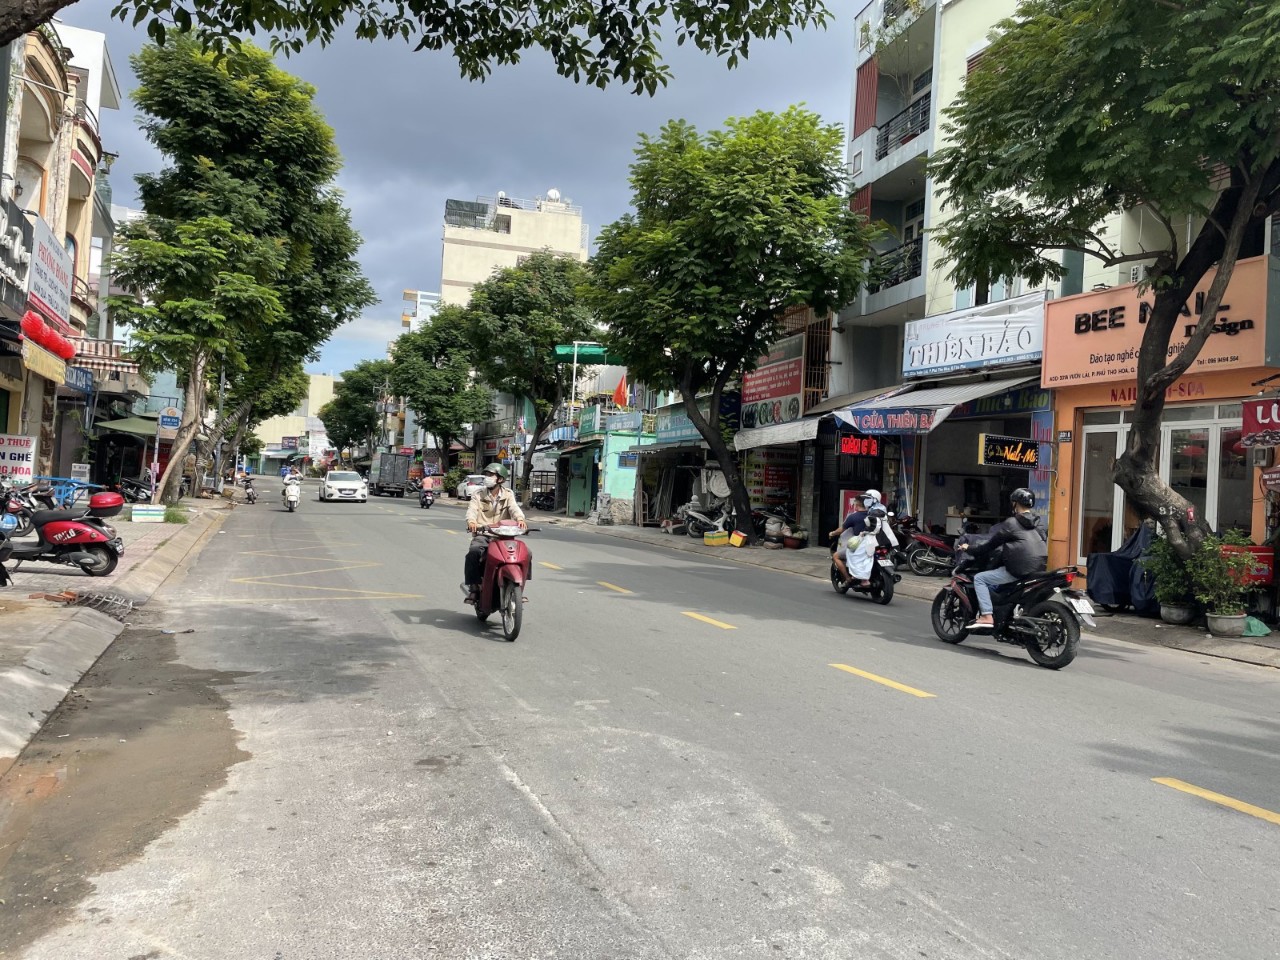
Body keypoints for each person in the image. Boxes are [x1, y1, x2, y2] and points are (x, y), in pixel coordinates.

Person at [958, 488, 1048, 630]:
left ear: (1014, 503)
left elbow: (989, 546)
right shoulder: (1039, 523)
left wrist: (968, 548)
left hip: (1019, 570)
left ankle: (987, 616)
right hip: (1039, 569)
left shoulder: (1011, 523)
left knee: (980, 579)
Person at [462, 462, 527, 603]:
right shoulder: (478, 494)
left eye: (490, 475)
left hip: (504, 536)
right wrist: (472, 522)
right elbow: (472, 510)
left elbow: (514, 508)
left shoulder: (508, 494)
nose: (487, 477)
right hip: (484, 534)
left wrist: (520, 519)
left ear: (500, 479)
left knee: (527, 554)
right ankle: (473, 587)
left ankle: (519, 587)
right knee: (473, 553)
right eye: (486, 474)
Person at [828, 489, 882, 588]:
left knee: (836, 556)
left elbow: (841, 530)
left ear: (857, 505)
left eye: (855, 503)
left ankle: (848, 579)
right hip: (876, 544)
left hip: (861, 544)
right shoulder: (875, 514)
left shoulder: (853, 517)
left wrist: (832, 533)